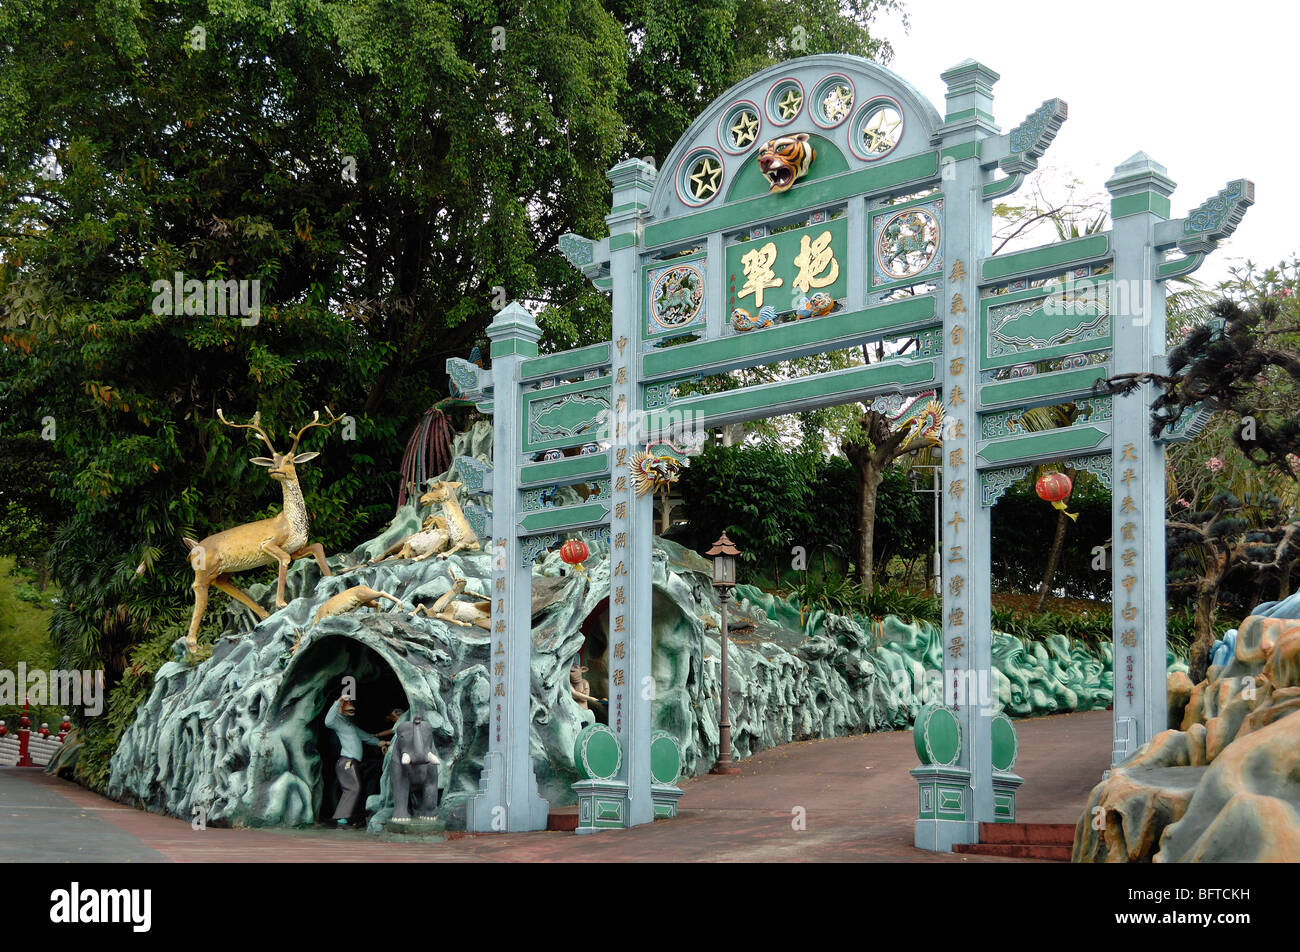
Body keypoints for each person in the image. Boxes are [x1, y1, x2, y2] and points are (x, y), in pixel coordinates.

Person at [325, 696, 388, 828]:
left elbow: (366, 737)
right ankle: (341, 818)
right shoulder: (338, 723)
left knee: (355, 788)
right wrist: (339, 701)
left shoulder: (350, 725)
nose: (351, 709)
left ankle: (345, 817)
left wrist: (381, 743)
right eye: (347, 706)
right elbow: (328, 721)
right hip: (346, 761)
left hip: (353, 762)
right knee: (353, 788)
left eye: (351, 706)